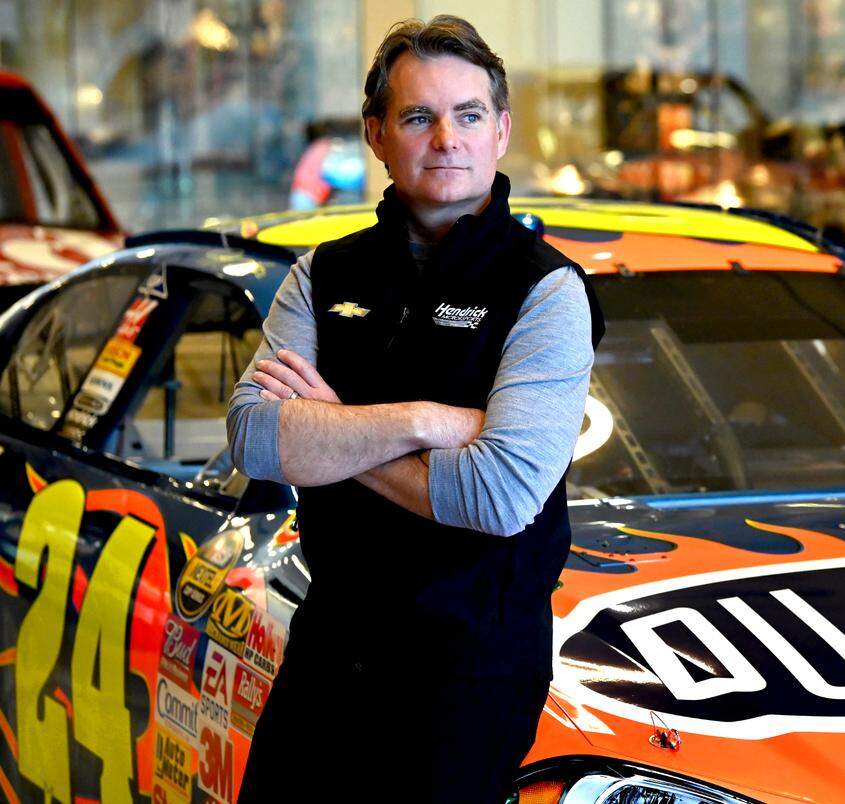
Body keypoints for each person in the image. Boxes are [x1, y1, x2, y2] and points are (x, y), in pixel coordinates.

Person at [226, 15, 603, 802]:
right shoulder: (322, 277)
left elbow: (499, 497)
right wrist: (425, 420)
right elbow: (257, 438)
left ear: (501, 131)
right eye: (418, 116)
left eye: (468, 115)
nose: (446, 139)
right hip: (333, 646)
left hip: (470, 672)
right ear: (376, 133)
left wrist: (332, 428)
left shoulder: (547, 291)